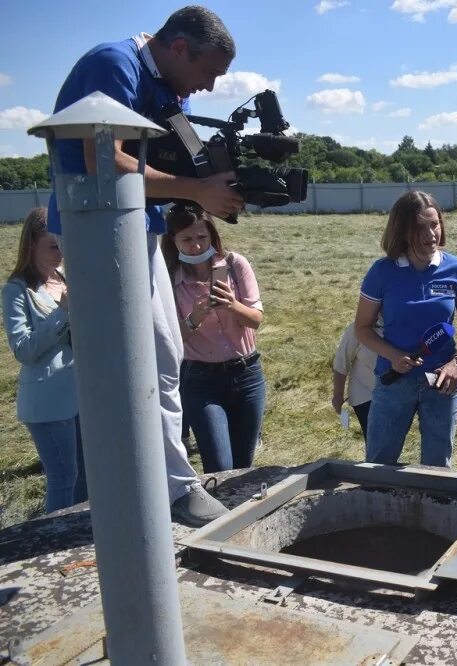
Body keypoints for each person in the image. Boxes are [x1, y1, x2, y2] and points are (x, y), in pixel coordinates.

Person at [47, 5, 243, 526]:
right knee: (138, 359)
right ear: (178, 47)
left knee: (163, 352)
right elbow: (100, 158)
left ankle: (157, 482)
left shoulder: (165, 88)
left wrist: (223, 179)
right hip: (99, 231)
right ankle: (167, 490)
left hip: (138, 228)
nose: (206, 87)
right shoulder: (114, 64)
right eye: (208, 73)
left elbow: (187, 158)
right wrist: (196, 189)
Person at [355, 191, 457, 468]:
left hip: (442, 383)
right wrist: (394, 356)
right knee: (379, 464)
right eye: (420, 227)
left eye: (434, 224)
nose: (430, 234)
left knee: (437, 468)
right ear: (402, 229)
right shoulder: (382, 272)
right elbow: (362, 328)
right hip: (393, 381)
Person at [163, 204, 265, 473]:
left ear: (212, 236)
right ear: (173, 241)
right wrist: (194, 318)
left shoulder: (233, 264)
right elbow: (169, 340)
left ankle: (241, 513)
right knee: (219, 466)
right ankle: (220, 513)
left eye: (202, 238)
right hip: (200, 381)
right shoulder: (168, 279)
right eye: (187, 239)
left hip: (247, 375)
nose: (196, 246)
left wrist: (231, 304)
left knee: (244, 466)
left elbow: (255, 319)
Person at [2, 208, 87, 513]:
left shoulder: (66, 277)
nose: (60, 252)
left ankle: (82, 539)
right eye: (53, 246)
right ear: (31, 245)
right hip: (49, 401)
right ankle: (54, 541)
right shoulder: (16, 290)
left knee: (87, 478)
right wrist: (61, 313)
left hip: (84, 396)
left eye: (63, 244)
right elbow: (23, 349)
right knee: (64, 478)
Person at [331, 317, 381, 440]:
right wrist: (338, 395)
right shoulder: (356, 330)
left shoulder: (399, 328)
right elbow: (341, 363)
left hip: (395, 395)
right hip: (365, 396)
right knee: (376, 440)